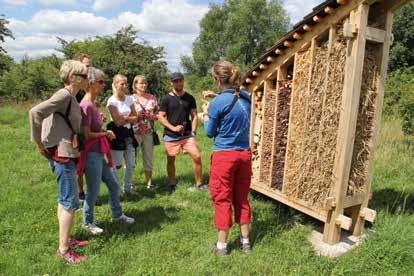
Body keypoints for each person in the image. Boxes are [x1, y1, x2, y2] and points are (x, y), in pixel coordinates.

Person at [29, 60, 89, 264]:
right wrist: (39, 142)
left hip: (64, 152)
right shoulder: (64, 95)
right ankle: (64, 251)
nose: (87, 79)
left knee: (65, 201)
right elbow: (35, 112)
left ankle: (67, 239)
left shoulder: (70, 96)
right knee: (68, 202)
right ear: (73, 78)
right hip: (62, 155)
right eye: (83, 75)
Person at [201, 61, 252, 255]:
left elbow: (209, 132)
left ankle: (222, 246)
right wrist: (216, 97)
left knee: (222, 198)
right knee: (242, 198)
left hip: (225, 156)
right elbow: (234, 96)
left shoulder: (216, 104)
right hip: (244, 155)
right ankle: (245, 241)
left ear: (216, 79)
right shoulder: (246, 97)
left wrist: (206, 114)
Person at [78, 68, 135, 235]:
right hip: (91, 154)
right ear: (91, 84)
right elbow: (86, 135)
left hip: (98, 153)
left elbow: (92, 128)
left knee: (113, 184)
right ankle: (87, 222)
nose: (104, 85)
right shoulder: (87, 105)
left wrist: (100, 124)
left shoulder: (93, 104)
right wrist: (105, 133)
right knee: (93, 190)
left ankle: (117, 215)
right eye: (101, 82)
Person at [158, 72, 206, 195]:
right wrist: (173, 128)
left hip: (187, 134)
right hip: (170, 135)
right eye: (175, 81)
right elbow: (161, 117)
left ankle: (199, 183)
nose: (178, 83)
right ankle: (172, 184)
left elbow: (194, 115)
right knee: (170, 159)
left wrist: (194, 132)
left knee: (197, 156)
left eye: (180, 80)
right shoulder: (165, 99)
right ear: (171, 83)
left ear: (183, 81)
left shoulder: (189, 98)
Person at [107, 74, 139, 194]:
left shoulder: (129, 99)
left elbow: (136, 118)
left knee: (131, 164)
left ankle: (127, 188)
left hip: (129, 134)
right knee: (116, 165)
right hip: (116, 135)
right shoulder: (111, 101)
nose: (124, 86)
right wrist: (128, 118)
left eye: (126, 83)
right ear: (115, 85)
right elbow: (118, 122)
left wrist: (125, 118)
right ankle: (116, 191)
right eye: (122, 84)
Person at [131, 75, 158, 189]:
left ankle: (149, 183)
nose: (144, 85)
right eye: (141, 83)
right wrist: (137, 116)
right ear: (135, 85)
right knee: (131, 158)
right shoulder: (130, 98)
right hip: (134, 132)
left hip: (148, 132)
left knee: (148, 157)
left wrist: (153, 117)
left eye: (145, 83)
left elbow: (157, 113)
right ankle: (129, 183)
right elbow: (127, 115)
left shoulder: (152, 98)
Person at [73, 53, 93, 202]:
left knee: (84, 164)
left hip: (85, 130)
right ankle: (78, 195)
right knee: (76, 165)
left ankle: (81, 193)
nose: (89, 69)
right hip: (75, 132)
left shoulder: (85, 89)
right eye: (87, 66)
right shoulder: (73, 91)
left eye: (90, 66)